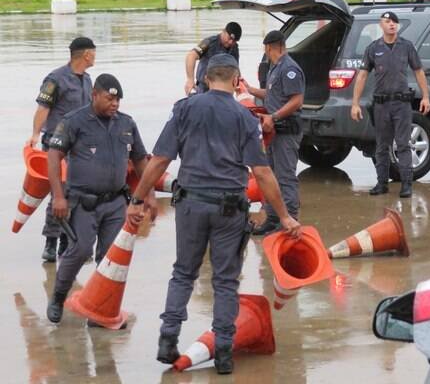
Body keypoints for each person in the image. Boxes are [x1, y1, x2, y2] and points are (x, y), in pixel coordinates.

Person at [126, 54, 301, 375]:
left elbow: (159, 160)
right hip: (230, 210)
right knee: (224, 281)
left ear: (206, 79)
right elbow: (262, 173)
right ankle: (222, 352)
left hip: (191, 205)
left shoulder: (184, 109)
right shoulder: (244, 118)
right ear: (236, 82)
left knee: (183, 273)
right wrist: (285, 216)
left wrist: (138, 199)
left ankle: (168, 339)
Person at [45, 73, 155, 324]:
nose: (115, 105)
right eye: (109, 99)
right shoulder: (74, 121)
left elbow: (140, 160)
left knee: (110, 257)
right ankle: (58, 297)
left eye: (118, 101)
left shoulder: (126, 123)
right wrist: (58, 197)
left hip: (116, 202)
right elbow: (53, 157)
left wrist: (149, 193)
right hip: (83, 202)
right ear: (94, 95)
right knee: (80, 249)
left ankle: (99, 308)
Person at [29, 37, 96, 263]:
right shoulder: (55, 79)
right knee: (60, 193)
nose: (95, 57)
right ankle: (51, 242)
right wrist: (35, 134)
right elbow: (43, 108)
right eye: (93, 53)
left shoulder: (87, 80)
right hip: (57, 145)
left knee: (77, 194)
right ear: (86, 54)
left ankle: (68, 244)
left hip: (81, 147)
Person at [350, 11, 430, 198]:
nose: (391, 25)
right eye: (387, 22)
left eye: (394, 22)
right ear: (381, 25)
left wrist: (425, 96)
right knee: (381, 145)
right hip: (381, 105)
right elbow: (362, 75)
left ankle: (406, 185)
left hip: (401, 104)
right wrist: (355, 103)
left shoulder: (407, 47)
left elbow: (419, 71)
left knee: (403, 144)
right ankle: (381, 183)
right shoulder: (373, 48)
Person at [244, 30, 305, 235]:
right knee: (271, 175)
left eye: (266, 49)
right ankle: (273, 217)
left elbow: (297, 100)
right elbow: (272, 94)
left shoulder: (289, 69)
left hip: (286, 130)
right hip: (273, 131)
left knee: (285, 176)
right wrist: (251, 90)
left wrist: (274, 116)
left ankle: (291, 219)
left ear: (270, 47)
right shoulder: (275, 69)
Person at [184, 22, 242, 95]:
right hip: (204, 88)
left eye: (234, 41)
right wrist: (190, 80)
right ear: (223, 31)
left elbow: (236, 68)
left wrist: (238, 84)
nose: (231, 42)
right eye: (229, 38)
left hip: (224, 91)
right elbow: (191, 56)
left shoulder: (234, 48)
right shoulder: (209, 42)